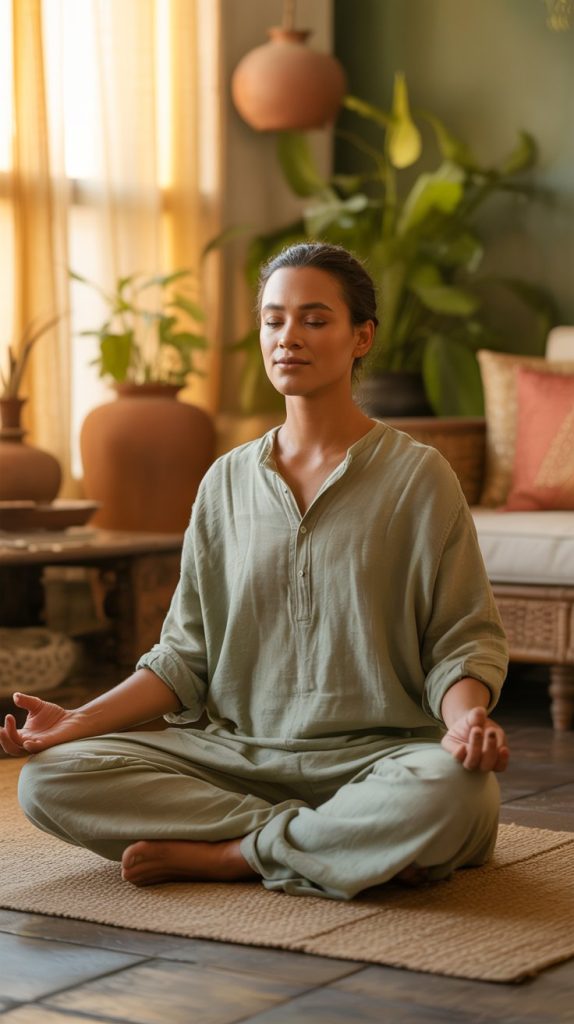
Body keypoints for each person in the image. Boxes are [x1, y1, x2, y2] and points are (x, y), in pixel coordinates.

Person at [0, 242, 509, 901]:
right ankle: (332, 845)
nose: (288, 337)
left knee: (459, 792)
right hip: (235, 761)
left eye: (314, 319)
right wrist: (76, 722)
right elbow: (184, 657)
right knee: (49, 781)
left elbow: (462, 637)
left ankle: (230, 856)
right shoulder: (226, 481)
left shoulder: (420, 476)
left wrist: (466, 720)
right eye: (274, 320)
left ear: (362, 337)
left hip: (378, 758)